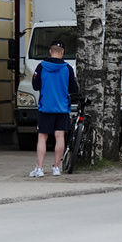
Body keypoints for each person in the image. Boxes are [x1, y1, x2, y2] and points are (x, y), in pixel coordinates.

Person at [30, 40, 79, 177]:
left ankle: (39, 169)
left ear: (50, 52)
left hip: (45, 107)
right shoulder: (68, 69)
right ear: (62, 53)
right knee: (59, 136)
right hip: (62, 107)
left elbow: (35, 85)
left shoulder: (41, 67)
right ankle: (56, 168)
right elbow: (73, 88)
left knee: (42, 137)